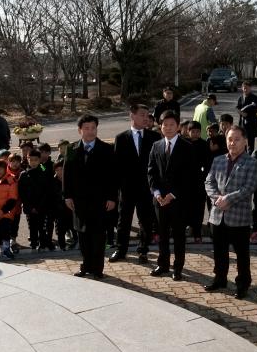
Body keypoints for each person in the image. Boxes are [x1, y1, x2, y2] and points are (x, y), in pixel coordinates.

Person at [204, 126, 257, 299]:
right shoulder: (218, 160)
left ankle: (243, 284)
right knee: (219, 251)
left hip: (239, 218)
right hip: (217, 216)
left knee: (242, 254)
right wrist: (217, 199)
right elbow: (209, 182)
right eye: (230, 139)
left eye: (237, 139)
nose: (232, 143)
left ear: (245, 141)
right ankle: (220, 278)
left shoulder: (253, 163)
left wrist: (228, 199)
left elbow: (249, 187)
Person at [63, 114, 118, 279]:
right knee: (83, 236)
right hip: (79, 201)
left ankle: (97, 269)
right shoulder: (72, 149)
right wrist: (67, 196)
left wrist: (112, 198)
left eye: (93, 128)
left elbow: (113, 177)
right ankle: (85, 266)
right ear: (80, 130)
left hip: (100, 201)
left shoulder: (107, 149)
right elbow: (67, 174)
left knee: (98, 237)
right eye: (86, 128)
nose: (90, 131)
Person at [147, 110, 195, 281]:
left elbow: (190, 176)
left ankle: (178, 267)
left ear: (178, 127)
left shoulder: (187, 147)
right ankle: (163, 264)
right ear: (160, 127)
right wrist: (157, 192)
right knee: (162, 234)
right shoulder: (156, 146)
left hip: (178, 200)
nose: (168, 128)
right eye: (164, 125)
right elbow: (151, 172)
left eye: (171, 124)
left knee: (179, 236)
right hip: (159, 200)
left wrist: (173, 194)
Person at [111, 104, 156, 264]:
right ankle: (120, 250)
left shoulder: (154, 137)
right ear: (132, 116)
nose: (146, 118)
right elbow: (116, 166)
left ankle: (143, 250)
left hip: (147, 188)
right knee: (123, 221)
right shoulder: (121, 138)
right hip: (127, 188)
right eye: (142, 114)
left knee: (146, 221)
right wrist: (115, 191)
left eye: (147, 115)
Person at [19, 149, 52, 251]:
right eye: (31, 160)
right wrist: (29, 206)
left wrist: (39, 206)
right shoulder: (24, 174)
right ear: (27, 160)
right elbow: (21, 192)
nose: (33, 162)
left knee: (42, 226)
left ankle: (43, 244)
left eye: (36, 160)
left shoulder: (43, 171)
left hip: (42, 205)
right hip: (29, 206)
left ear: (39, 160)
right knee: (32, 226)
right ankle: (33, 244)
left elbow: (47, 190)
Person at [236, 81, 257, 150]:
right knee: (242, 141)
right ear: (242, 88)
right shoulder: (240, 98)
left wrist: (246, 114)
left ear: (250, 88)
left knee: (250, 143)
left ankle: (250, 156)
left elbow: (255, 109)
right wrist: (241, 113)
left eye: (247, 88)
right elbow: (238, 107)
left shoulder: (254, 97)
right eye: (244, 88)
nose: (245, 90)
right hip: (242, 123)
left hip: (251, 123)